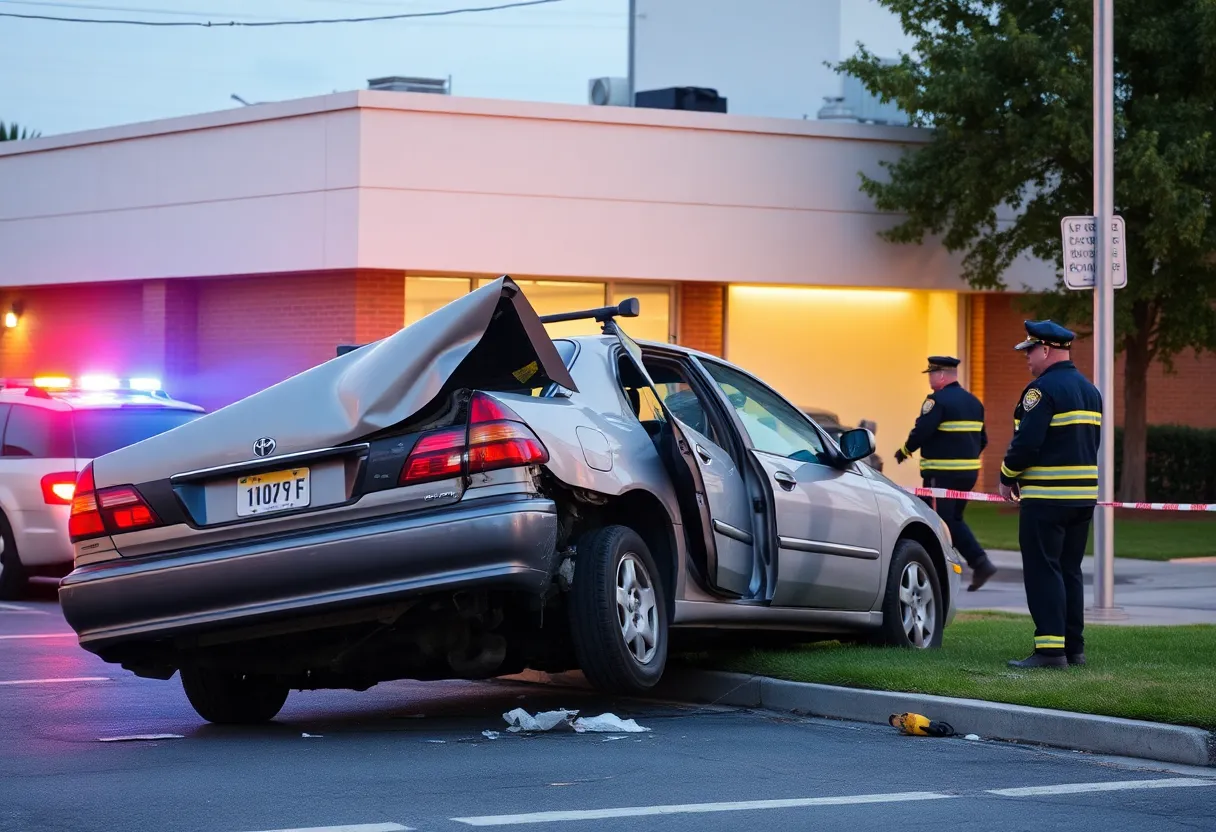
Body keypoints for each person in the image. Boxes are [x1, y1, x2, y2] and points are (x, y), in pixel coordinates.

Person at [999, 320, 1102, 669]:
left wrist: (1007, 476)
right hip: (1082, 498)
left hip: (1046, 497)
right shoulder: (1090, 390)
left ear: (1046, 349)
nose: (1026, 357)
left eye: (1030, 350)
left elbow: (1027, 443)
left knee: (1044, 570)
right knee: (1070, 570)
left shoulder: (1040, 391)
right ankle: (1074, 649)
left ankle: (1049, 651)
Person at [894, 355, 997, 591]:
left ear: (941, 375)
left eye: (931, 374)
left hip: (941, 475)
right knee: (951, 519)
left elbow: (922, 431)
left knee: (939, 520)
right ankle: (974, 563)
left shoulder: (936, 401)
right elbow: (982, 439)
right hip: (968, 474)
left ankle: (969, 564)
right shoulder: (974, 402)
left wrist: (905, 450)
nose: (929, 378)